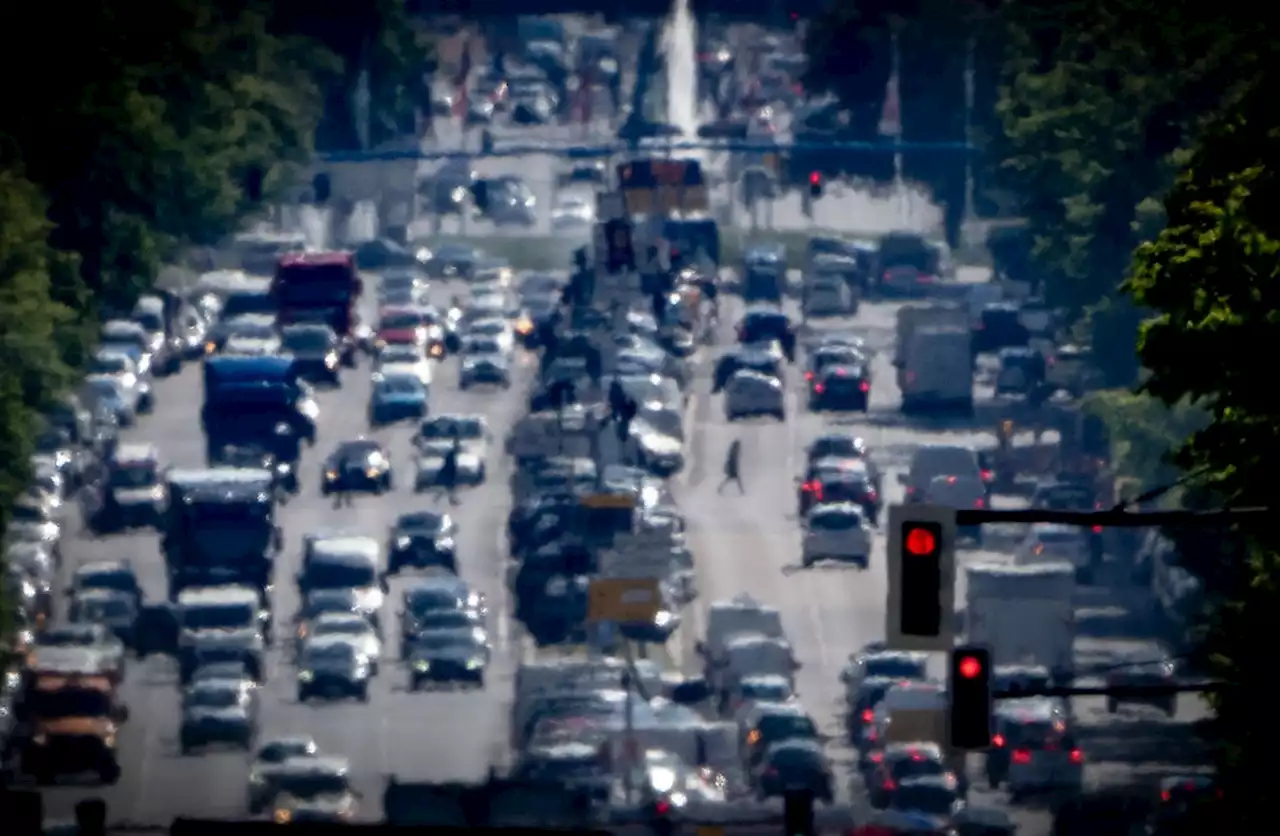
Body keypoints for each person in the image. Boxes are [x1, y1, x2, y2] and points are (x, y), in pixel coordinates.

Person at [435, 437, 462, 507]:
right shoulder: (451, 454)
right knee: (449, 488)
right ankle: (450, 500)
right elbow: (450, 464)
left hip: (449, 472)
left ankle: (451, 500)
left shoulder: (452, 454)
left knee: (449, 488)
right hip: (449, 473)